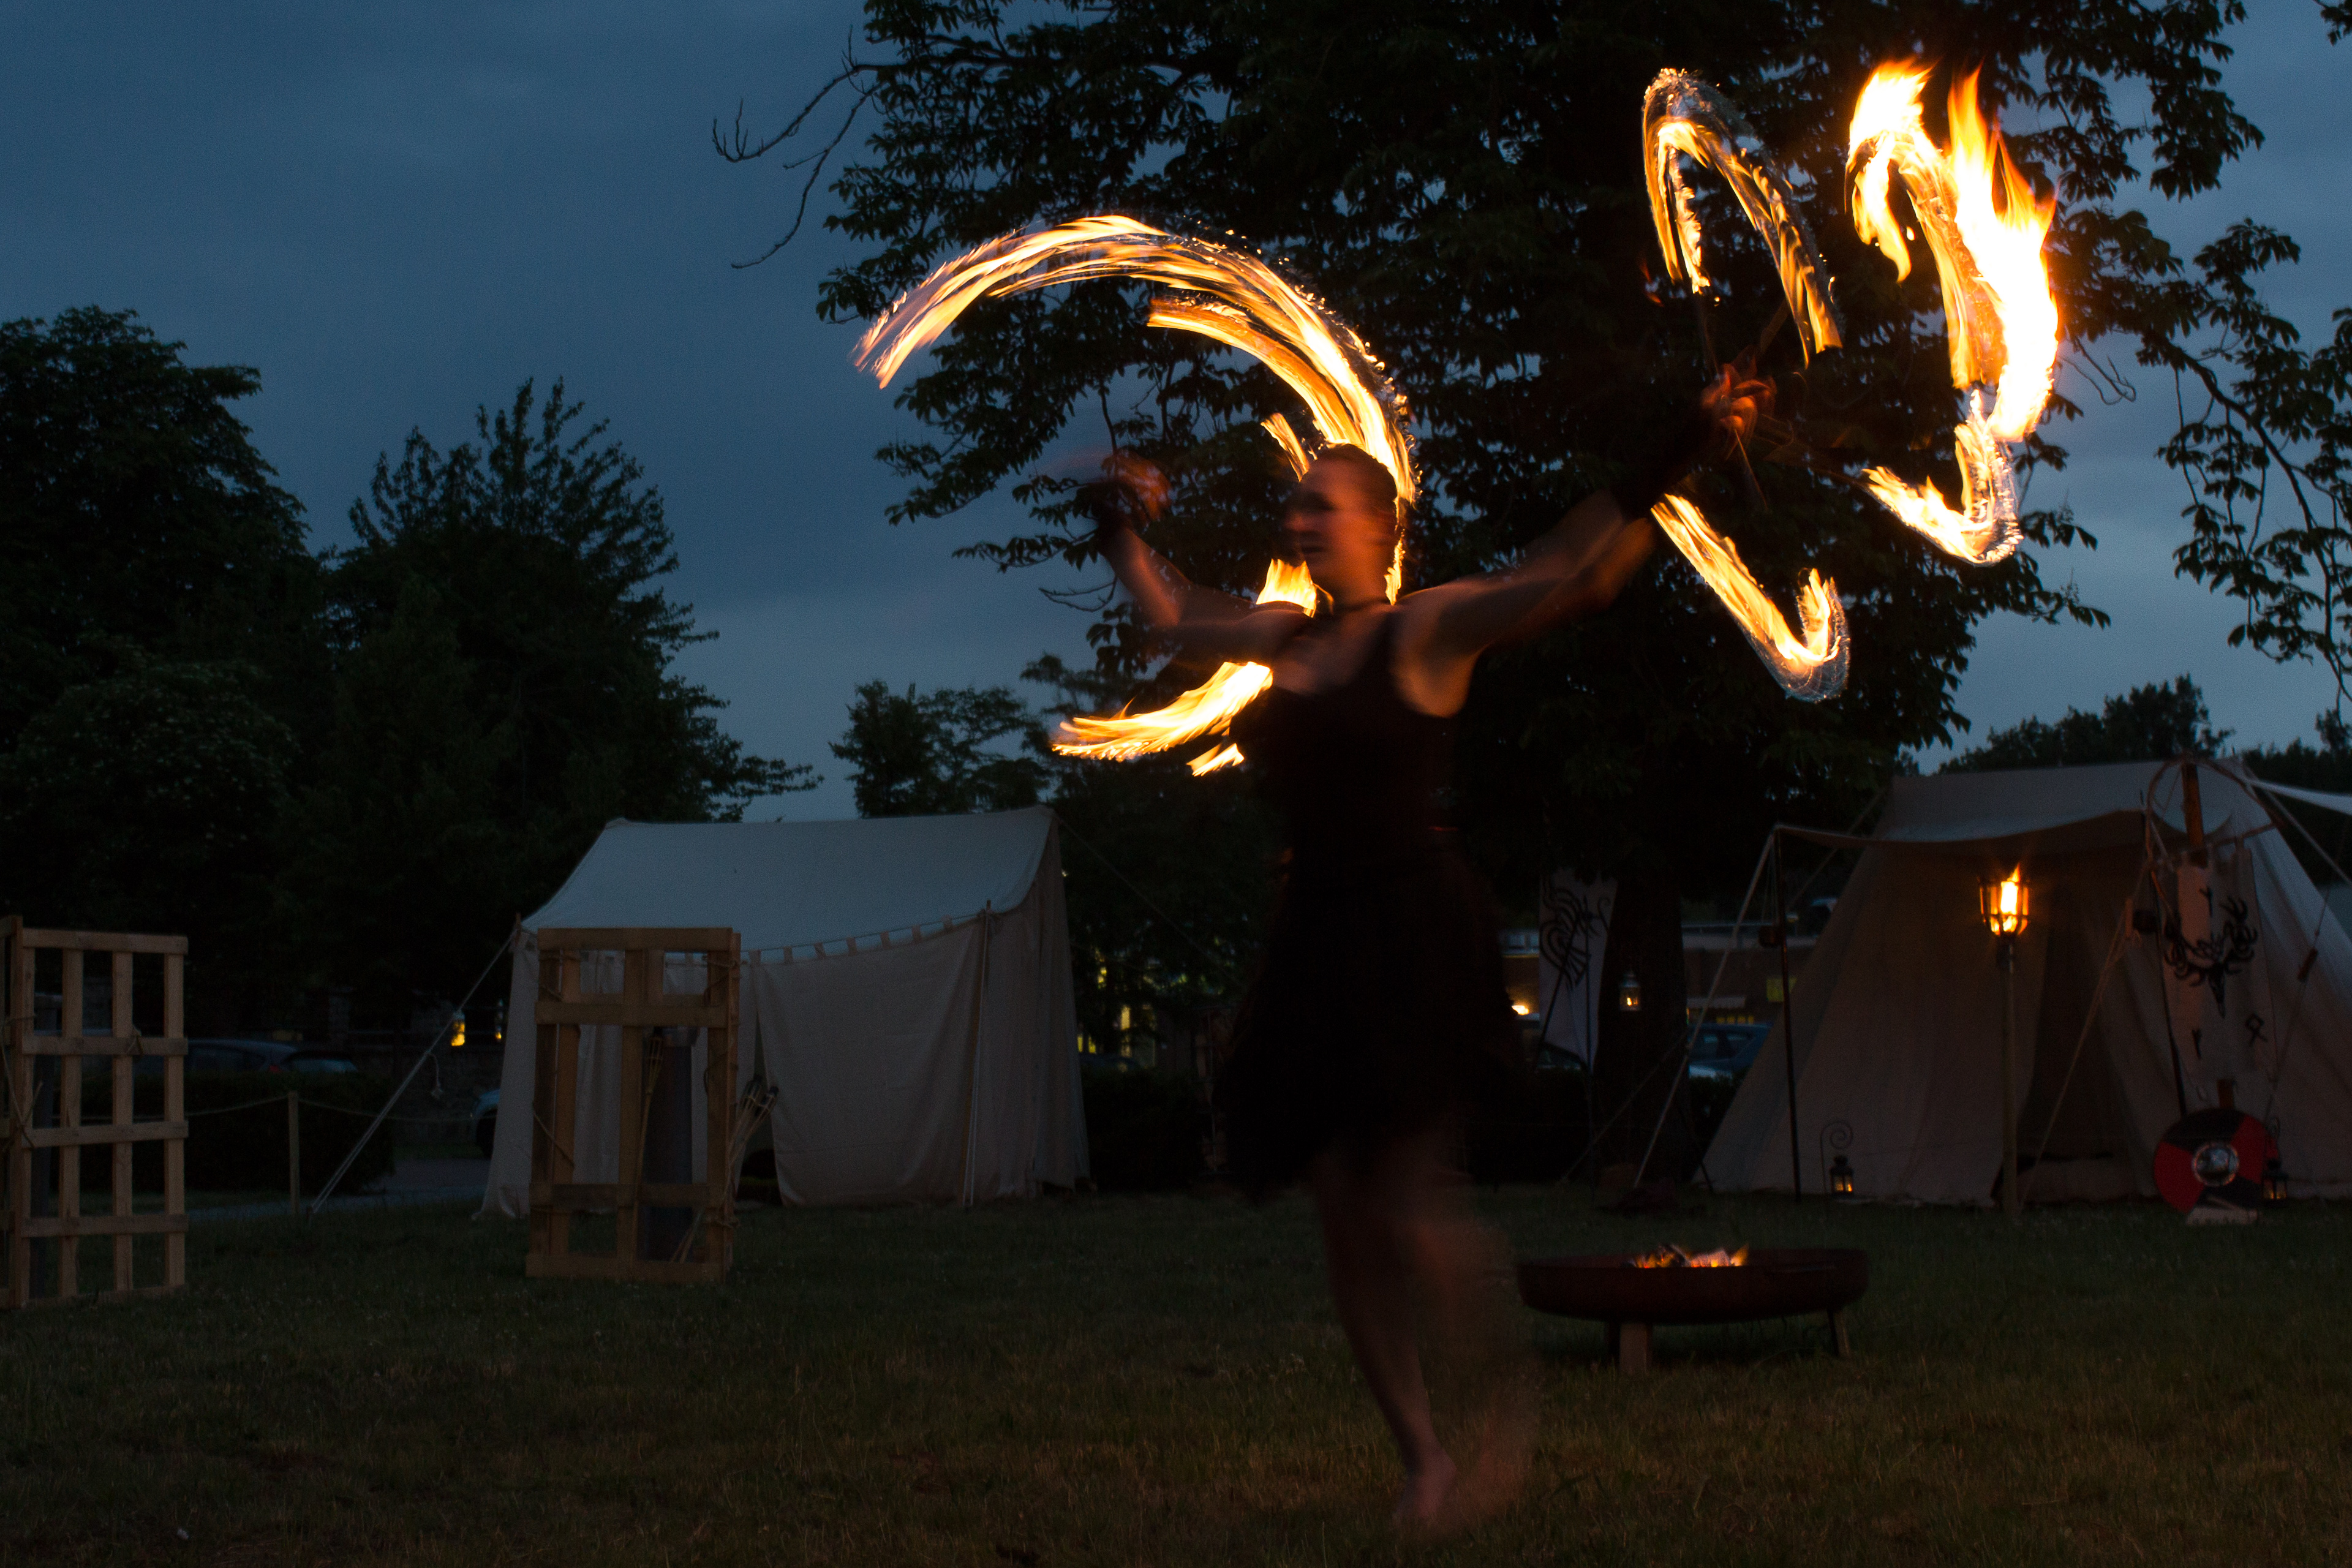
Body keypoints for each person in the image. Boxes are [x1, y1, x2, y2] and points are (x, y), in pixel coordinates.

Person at [1080, 364, 1770, 1531]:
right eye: (1297, 504)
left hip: (1408, 936)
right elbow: (1173, 612)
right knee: (1340, 1213)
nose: (1300, 520)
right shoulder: (1284, 636)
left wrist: (1682, 443)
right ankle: (1424, 1458)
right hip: (1316, 940)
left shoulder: (1429, 627)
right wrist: (1117, 524)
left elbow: (1565, 567)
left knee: (1406, 1202)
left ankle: (1500, 1411)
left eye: (1323, 504)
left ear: (1380, 526)